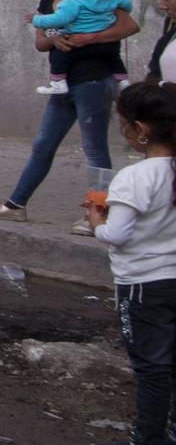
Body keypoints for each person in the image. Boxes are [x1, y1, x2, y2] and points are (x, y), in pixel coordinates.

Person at [0, 0, 140, 228]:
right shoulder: (47, 2)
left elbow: (129, 26)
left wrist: (87, 37)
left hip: (93, 78)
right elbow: (41, 43)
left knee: (95, 149)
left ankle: (99, 214)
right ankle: (16, 204)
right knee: (43, 144)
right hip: (63, 82)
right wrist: (57, 38)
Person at [88, 81, 176, 445]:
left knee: (152, 367)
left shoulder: (134, 178)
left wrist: (97, 221)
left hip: (143, 285)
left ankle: (150, 436)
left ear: (139, 130)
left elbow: (117, 236)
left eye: (123, 123)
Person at [32, 0, 133, 95]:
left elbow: (61, 19)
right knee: (114, 56)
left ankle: (57, 82)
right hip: (108, 44)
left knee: (60, 54)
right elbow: (127, 3)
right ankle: (122, 80)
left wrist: (36, 20)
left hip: (82, 53)